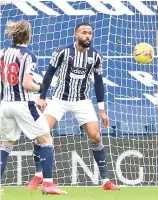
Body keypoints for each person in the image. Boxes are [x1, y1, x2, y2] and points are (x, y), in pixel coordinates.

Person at [26, 22, 119, 191]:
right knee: (41, 132)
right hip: (59, 99)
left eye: (90, 33)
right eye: (84, 32)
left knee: (95, 136)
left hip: (82, 101)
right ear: (76, 35)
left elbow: (99, 83)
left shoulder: (96, 56)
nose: (88, 36)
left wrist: (102, 110)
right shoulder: (63, 52)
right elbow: (48, 74)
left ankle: (106, 181)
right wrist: (42, 97)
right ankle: (39, 175)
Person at [0, 20, 67, 195]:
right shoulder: (29, 55)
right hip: (22, 104)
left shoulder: (2, 53)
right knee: (46, 140)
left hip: (5, 105)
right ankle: (48, 184)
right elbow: (27, 84)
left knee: (6, 144)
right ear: (29, 35)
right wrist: (41, 87)